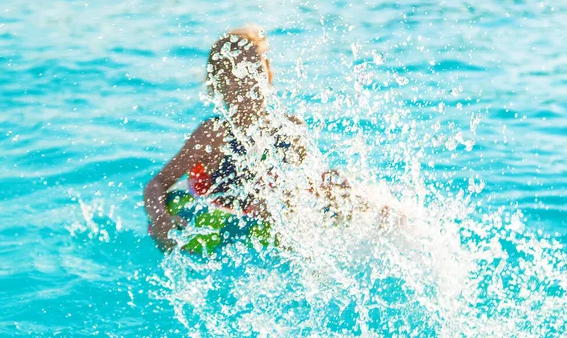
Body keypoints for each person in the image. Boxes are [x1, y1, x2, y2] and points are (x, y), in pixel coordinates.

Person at [144, 26, 401, 251]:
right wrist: (160, 219)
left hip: (272, 214)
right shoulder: (213, 134)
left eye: (253, 70)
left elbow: (305, 182)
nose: (245, 82)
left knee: (334, 182)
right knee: (267, 205)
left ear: (267, 76)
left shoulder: (287, 127)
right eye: (234, 75)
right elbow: (156, 184)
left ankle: (388, 221)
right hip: (227, 218)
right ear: (217, 85)